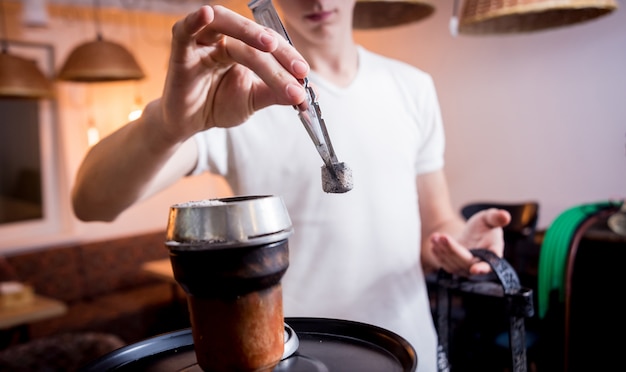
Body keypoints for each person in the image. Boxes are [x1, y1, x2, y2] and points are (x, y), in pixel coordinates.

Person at [71, 1, 511, 371]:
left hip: (406, 348)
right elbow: (92, 203)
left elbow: (437, 224)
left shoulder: (412, 87)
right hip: (292, 359)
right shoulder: (235, 93)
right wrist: (167, 126)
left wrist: (461, 243)